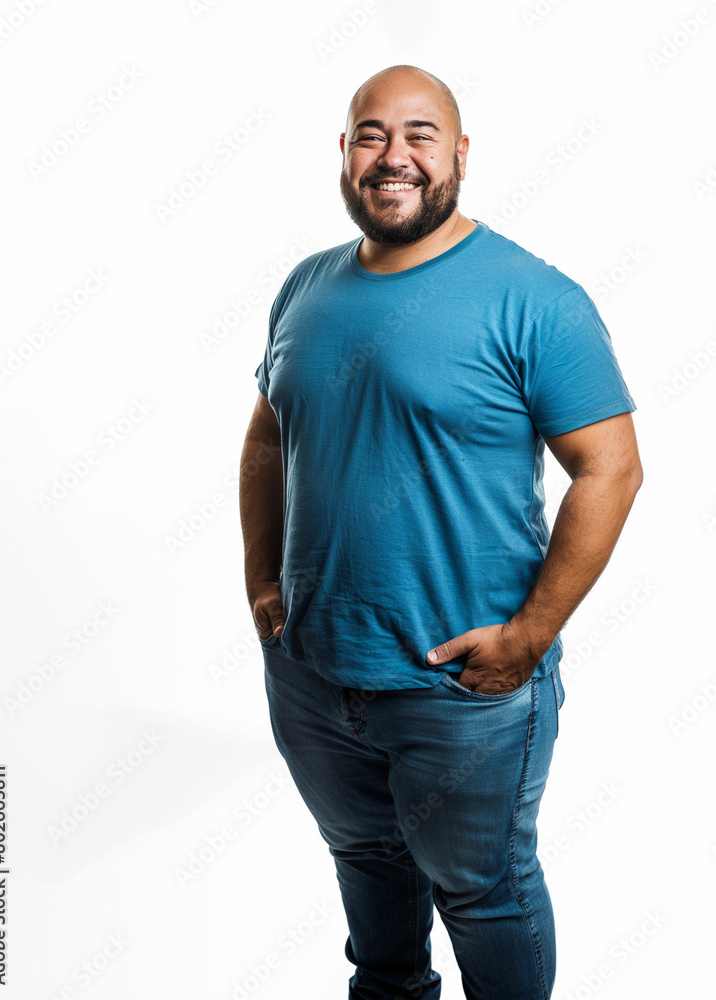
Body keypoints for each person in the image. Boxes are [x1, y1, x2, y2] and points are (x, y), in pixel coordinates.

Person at [239, 63, 644, 1000]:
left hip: (462, 689)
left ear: (459, 155)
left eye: (420, 135)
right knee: (369, 881)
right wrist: (265, 581)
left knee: (485, 897)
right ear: (345, 154)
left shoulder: (534, 298)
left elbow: (611, 468)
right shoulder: (306, 286)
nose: (395, 156)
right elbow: (269, 433)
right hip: (313, 673)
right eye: (372, 134)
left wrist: (530, 636)